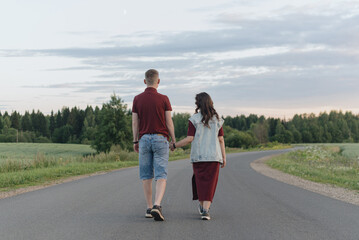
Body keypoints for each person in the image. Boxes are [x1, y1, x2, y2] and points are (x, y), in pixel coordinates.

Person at [170, 92, 226, 220]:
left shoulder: (194, 119)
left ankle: (203, 207)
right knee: (210, 183)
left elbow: (189, 139)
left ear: (198, 104)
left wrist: (174, 145)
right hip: (214, 156)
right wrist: (224, 157)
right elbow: (221, 140)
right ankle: (205, 210)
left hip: (198, 156)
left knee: (199, 181)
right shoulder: (217, 120)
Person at [132, 69, 176, 221]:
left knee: (146, 175)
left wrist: (135, 140)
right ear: (159, 81)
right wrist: (174, 139)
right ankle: (157, 205)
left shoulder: (137, 99)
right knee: (161, 174)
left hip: (144, 139)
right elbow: (169, 122)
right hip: (160, 138)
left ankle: (149, 207)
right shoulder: (164, 99)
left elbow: (135, 122)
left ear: (145, 81)